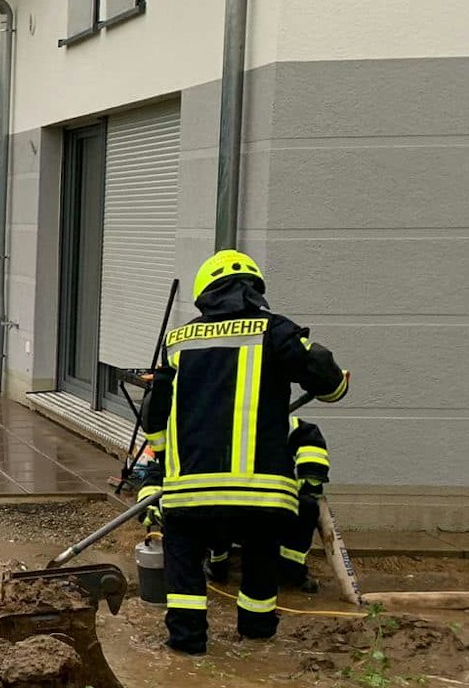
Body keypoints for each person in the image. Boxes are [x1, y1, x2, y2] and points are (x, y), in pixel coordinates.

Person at [137, 249, 347, 655]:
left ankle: (186, 650)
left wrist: (163, 463)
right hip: (262, 494)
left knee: (184, 579)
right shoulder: (277, 331)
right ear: (255, 290)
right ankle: (255, 645)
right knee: (258, 573)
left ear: (204, 293)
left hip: (191, 492)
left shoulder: (178, 341)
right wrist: (325, 370)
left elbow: (154, 413)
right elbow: (328, 384)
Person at [203, 416, 333, 593]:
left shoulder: (278, 419)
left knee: (307, 506)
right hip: (236, 506)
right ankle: (217, 565)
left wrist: (311, 480)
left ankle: (288, 571)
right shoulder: (213, 422)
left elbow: (309, 439)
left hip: (266, 507)